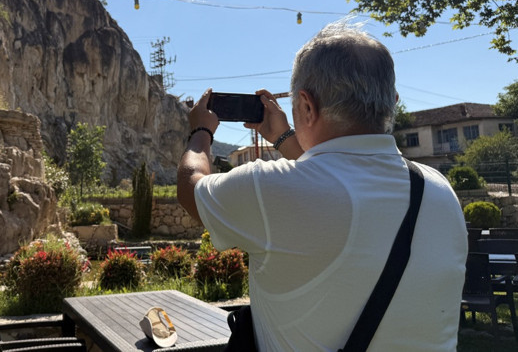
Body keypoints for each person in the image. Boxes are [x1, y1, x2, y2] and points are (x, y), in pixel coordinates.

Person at [177, 20, 467, 351]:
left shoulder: (274, 190)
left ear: (307, 106)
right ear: (394, 100)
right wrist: (285, 137)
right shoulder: (440, 191)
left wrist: (201, 131)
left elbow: (190, 188)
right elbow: (331, 180)